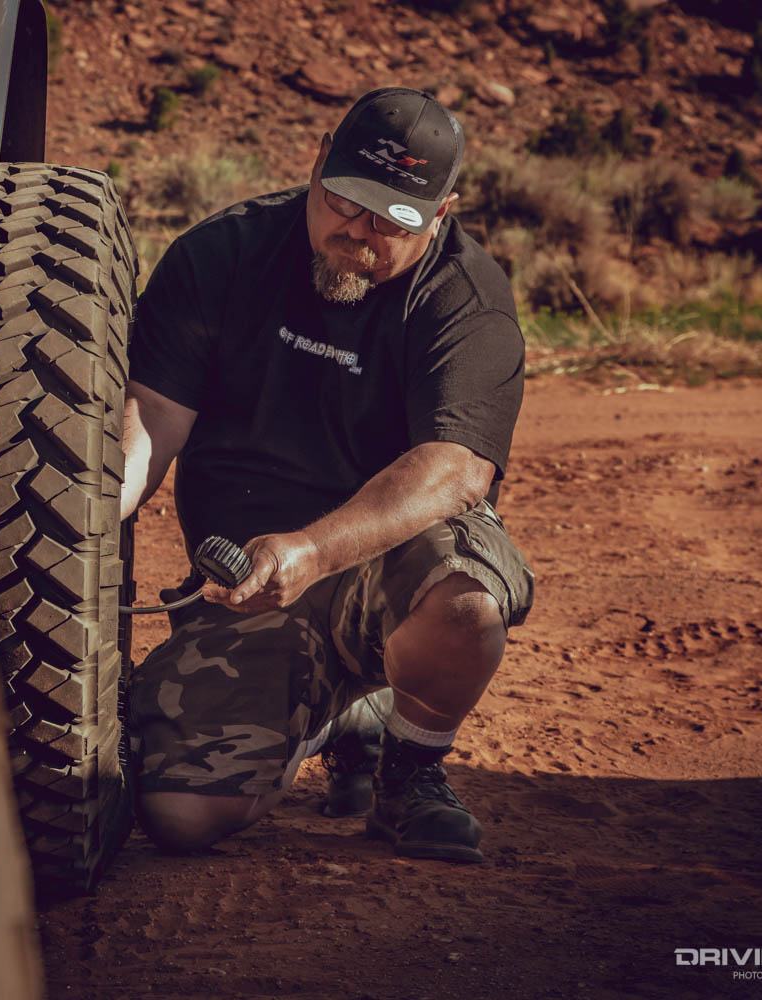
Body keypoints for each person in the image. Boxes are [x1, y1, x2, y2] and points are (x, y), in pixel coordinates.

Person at [119, 87, 535, 863]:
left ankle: (409, 772)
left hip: (385, 563)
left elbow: (455, 470)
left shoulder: (466, 301)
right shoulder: (224, 254)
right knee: (177, 816)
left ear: (440, 214)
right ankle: (349, 716)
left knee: (466, 605)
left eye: (392, 220)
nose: (357, 231)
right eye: (344, 200)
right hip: (250, 584)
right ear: (317, 162)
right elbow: (154, 412)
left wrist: (312, 551)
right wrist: (100, 499)